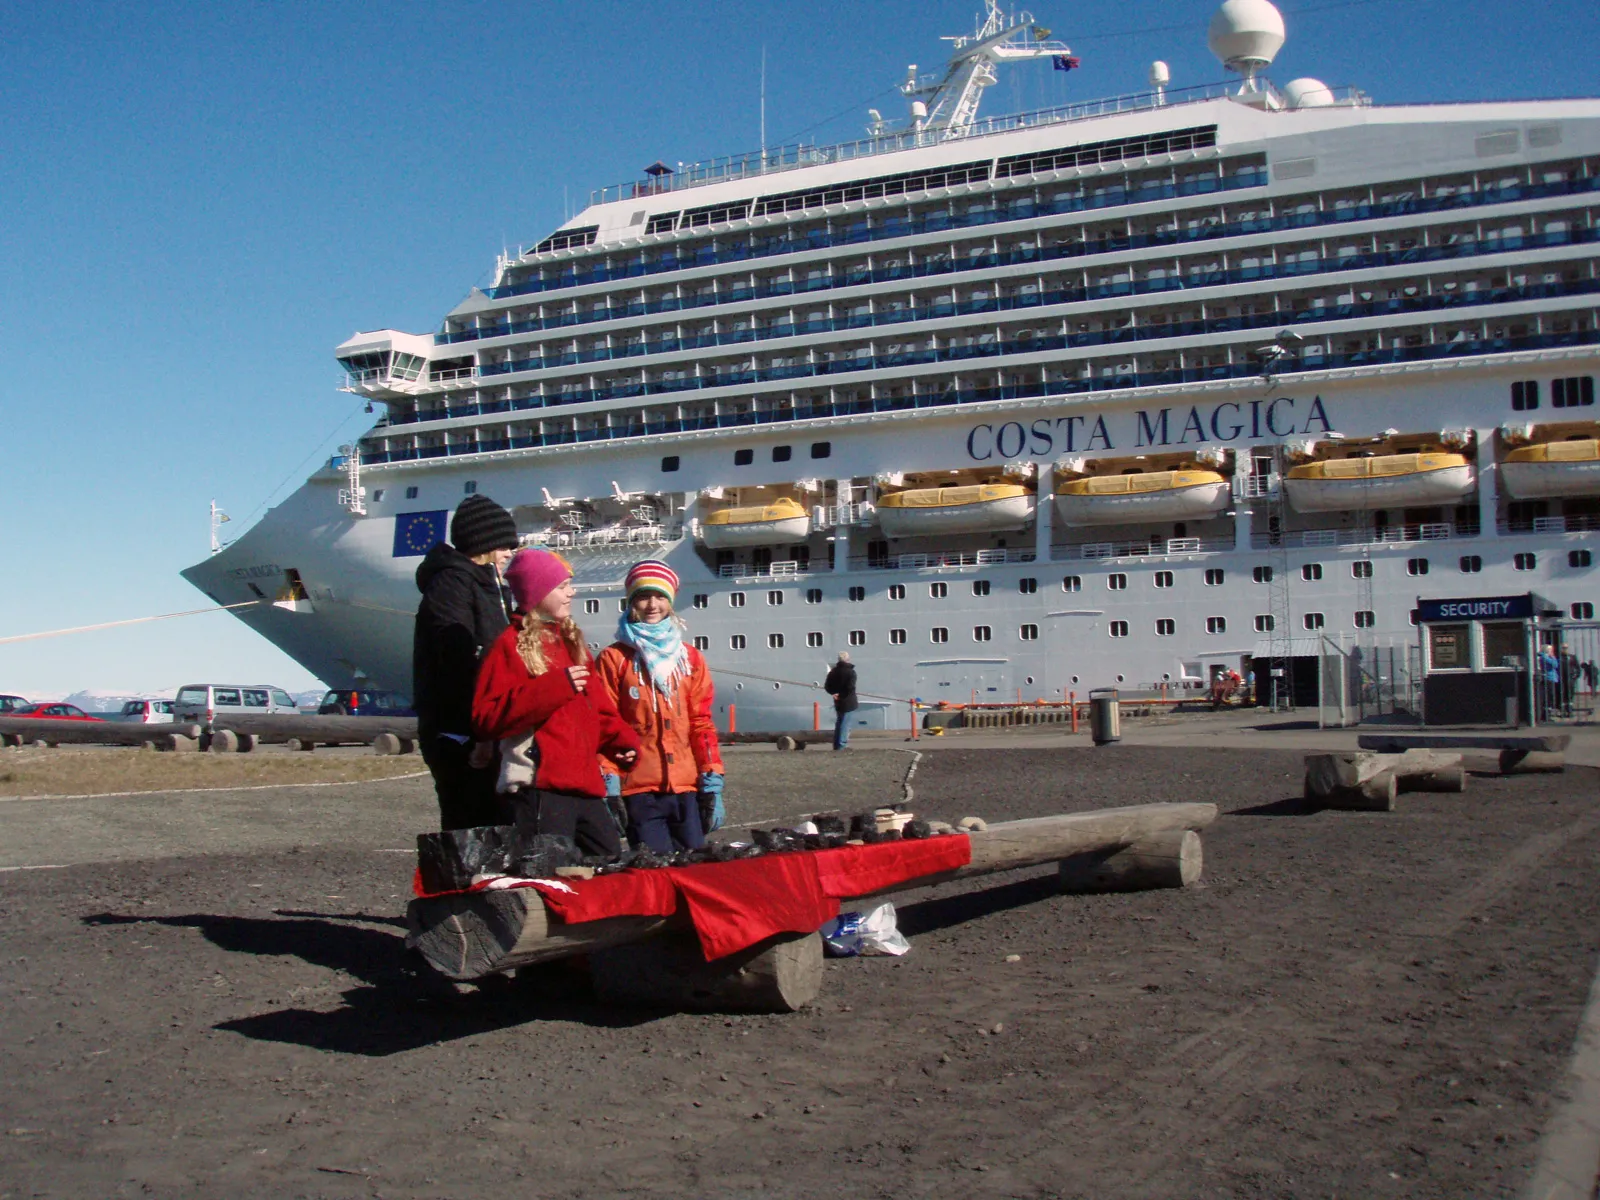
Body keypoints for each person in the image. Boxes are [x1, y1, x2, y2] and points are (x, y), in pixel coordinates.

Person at [471, 548, 639, 857]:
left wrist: (621, 741)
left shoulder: (571, 642)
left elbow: (598, 708)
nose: (571, 592)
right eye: (562, 586)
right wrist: (554, 688)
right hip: (538, 788)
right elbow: (486, 717)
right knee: (548, 872)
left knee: (610, 865)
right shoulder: (509, 645)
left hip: (586, 785)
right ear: (537, 591)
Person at [595, 560, 724, 853]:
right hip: (638, 788)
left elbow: (701, 722)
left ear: (671, 601)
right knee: (653, 869)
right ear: (631, 602)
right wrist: (609, 782)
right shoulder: (614, 659)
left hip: (686, 787)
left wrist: (712, 776)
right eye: (643, 597)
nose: (652, 605)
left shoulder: (689, 658)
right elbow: (605, 725)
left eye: (660, 596)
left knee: (693, 865)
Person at [412, 494, 518, 830]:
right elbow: (456, 660)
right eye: (504, 545)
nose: (509, 553)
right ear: (483, 543)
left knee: (496, 820)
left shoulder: (491, 587)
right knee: (469, 820)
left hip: (488, 725)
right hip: (460, 728)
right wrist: (477, 730)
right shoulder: (452, 584)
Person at [824, 651, 858, 750]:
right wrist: (842, 695)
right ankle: (842, 745)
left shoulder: (833, 672)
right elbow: (850, 687)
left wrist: (834, 693)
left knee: (839, 722)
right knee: (845, 723)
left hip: (838, 701)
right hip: (848, 700)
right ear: (848, 659)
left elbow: (827, 686)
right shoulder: (851, 672)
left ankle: (836, 744)